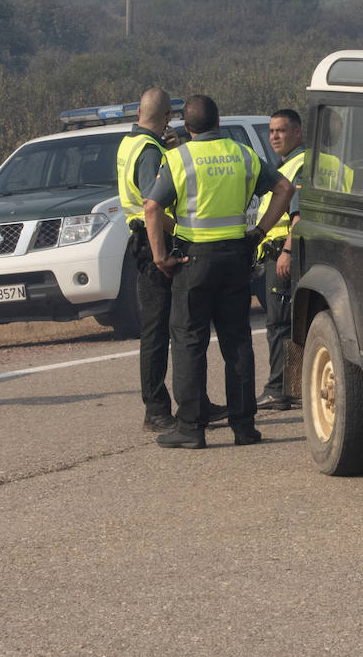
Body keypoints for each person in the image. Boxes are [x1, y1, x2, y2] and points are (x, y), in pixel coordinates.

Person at [144, 94, 294, 449]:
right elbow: (284, 189)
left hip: (193, 261)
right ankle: (244, 426)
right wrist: (259, 231)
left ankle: (191, 428)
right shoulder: (242, 154)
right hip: (236, 257)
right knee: (237, 341)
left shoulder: (178, 157)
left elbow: (151, 208)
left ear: (186, 127)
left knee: (189, 342)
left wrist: (160, 256)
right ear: (218, 122)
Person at [116, 87, 226, 432]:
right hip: (156, 247)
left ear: (138, 112)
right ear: (166, 118)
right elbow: (154, 206)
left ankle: (194, 404)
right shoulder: (149, 152)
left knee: (178, 328)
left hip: (145, 244)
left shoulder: (130, 144)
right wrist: (181, 228)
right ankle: (158, 409)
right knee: (162, 332)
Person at [255, 109, 305, 411]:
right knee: (289, 323)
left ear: (297, 132)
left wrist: (286, 251)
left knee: (280, 324)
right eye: (272, 131)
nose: (274, 136)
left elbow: (299, 216)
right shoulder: (288, 163)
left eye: (281, 131)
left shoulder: (298, 165)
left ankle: (279, 389)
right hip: (283, 254)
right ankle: (295, 388)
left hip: (286, 256)